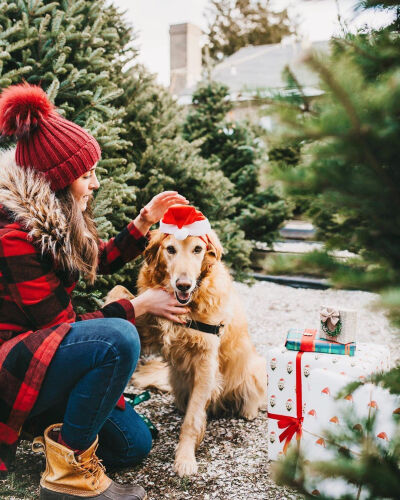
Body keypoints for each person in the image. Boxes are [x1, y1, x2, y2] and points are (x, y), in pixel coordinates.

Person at [0, 83, 189, 500]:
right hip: (15, 367)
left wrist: (142, 224)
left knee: (133, 445)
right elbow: (60, 329)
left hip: (47, 358)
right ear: (59, 181)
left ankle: (53, 435)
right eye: (87, 176)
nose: (96, 184)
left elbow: (92, 261)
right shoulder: (14, 238)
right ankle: (66, 480)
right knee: (117, 338)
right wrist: (137, 306)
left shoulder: (57, 220)